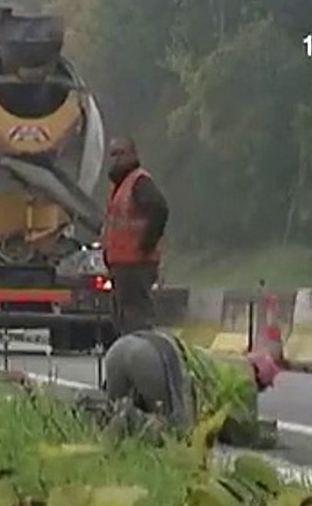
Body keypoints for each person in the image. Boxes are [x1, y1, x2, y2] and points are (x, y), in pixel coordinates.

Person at [101, 328, 280, 448]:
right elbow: (244, 433)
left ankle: (91, 409)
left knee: (111, 420)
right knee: (178, 436)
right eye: (262, 387)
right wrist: (268, 435)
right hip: (157, 356)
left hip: (121, 347)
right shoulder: (246, 379)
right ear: (258, 378)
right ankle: (132, 418)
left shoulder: (222, 358)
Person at [100, 137, 169, 335]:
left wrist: (145, 245)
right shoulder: (121, 186)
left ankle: (140, 359)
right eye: (112, 154)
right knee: (123, 318)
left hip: (135, 264)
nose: (116, 159)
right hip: (122, 264)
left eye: (121, 153)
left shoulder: (139, 182)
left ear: (133, 155)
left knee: (137, 319)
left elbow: (159, 209)